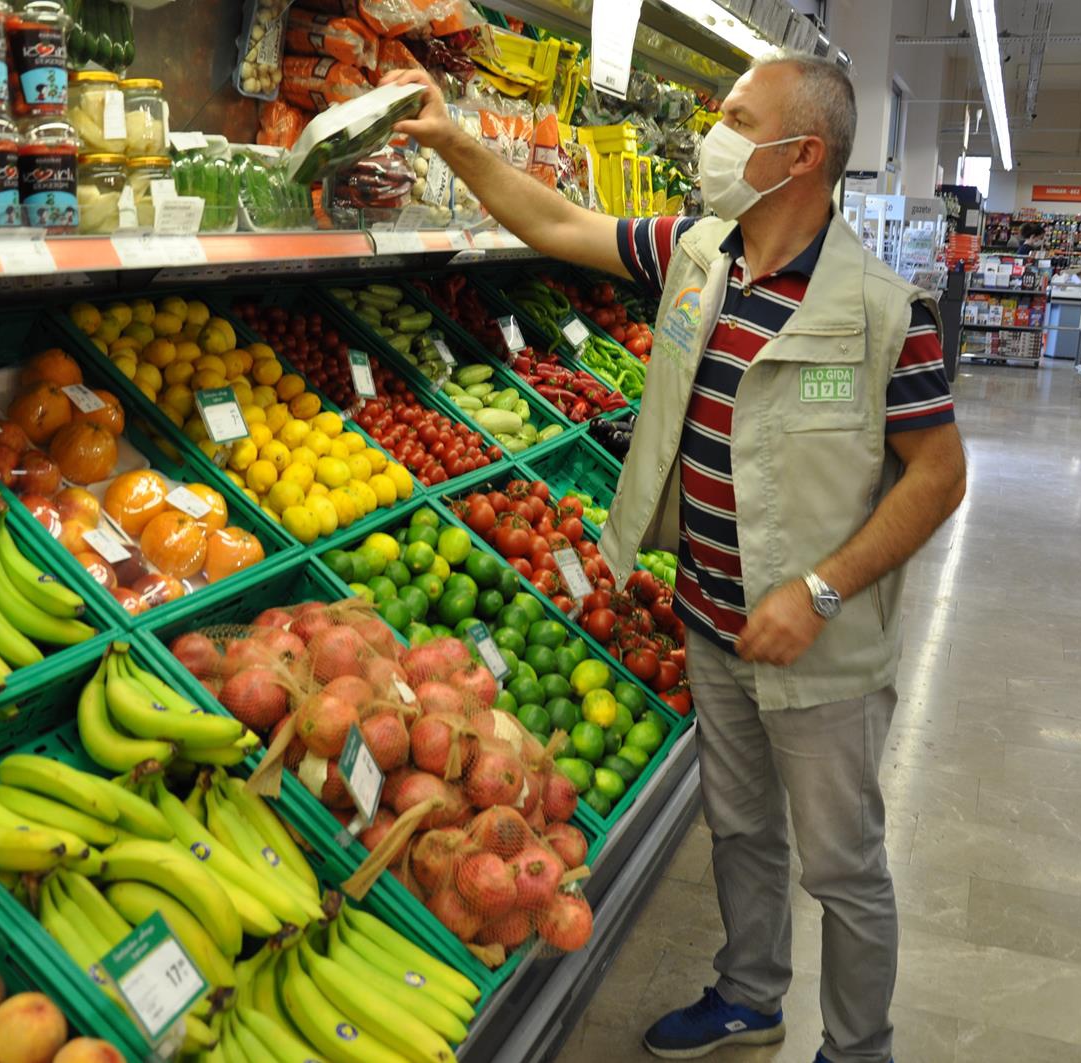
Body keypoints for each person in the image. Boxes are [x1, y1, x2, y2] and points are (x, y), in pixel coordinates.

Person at [383, 51, 966, 1063]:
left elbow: (937, 476)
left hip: (820, 643)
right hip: (708, 614)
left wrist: (822, 589)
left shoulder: (883, 315)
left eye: (737, 118)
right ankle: (750, 995)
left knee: (842, 867)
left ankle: (857, 1048)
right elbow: (558, 223)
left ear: (800, 156)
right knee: (739, 829)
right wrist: (454, 142)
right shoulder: (697, 253)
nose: (714, 135)